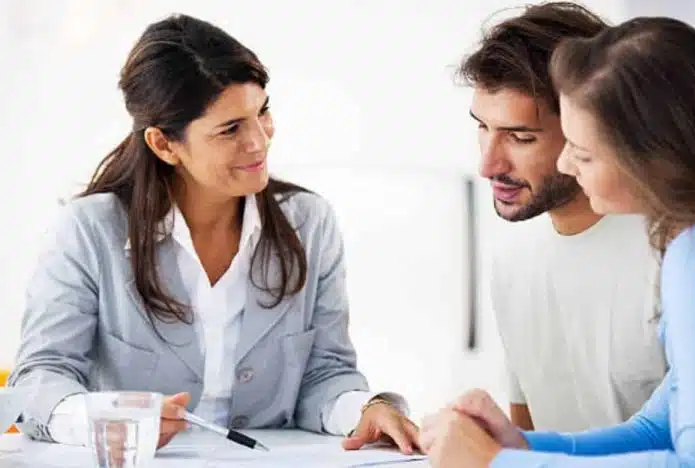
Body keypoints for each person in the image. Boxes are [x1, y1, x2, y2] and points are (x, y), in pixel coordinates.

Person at [8, 13, 420, 454]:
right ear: (164, 144)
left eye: (262, 112)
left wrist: (365, 409)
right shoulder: (88, 231)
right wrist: (111, 417)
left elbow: (324, 375)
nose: (259, 140)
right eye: (230, 129)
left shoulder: (309, 223)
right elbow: (38, 379)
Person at [421, 14, 695, 467]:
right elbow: (659, 428)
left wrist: (494, 463)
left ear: (649, 155)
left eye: (581, 152)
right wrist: (518, 447)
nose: (567, 163)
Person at [459, 1, 665, 432]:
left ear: (589, 127)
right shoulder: (512, 260)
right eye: (482, 127)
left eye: (520, 137)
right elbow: (527, 440)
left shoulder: (674, 251)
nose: (488, 166)